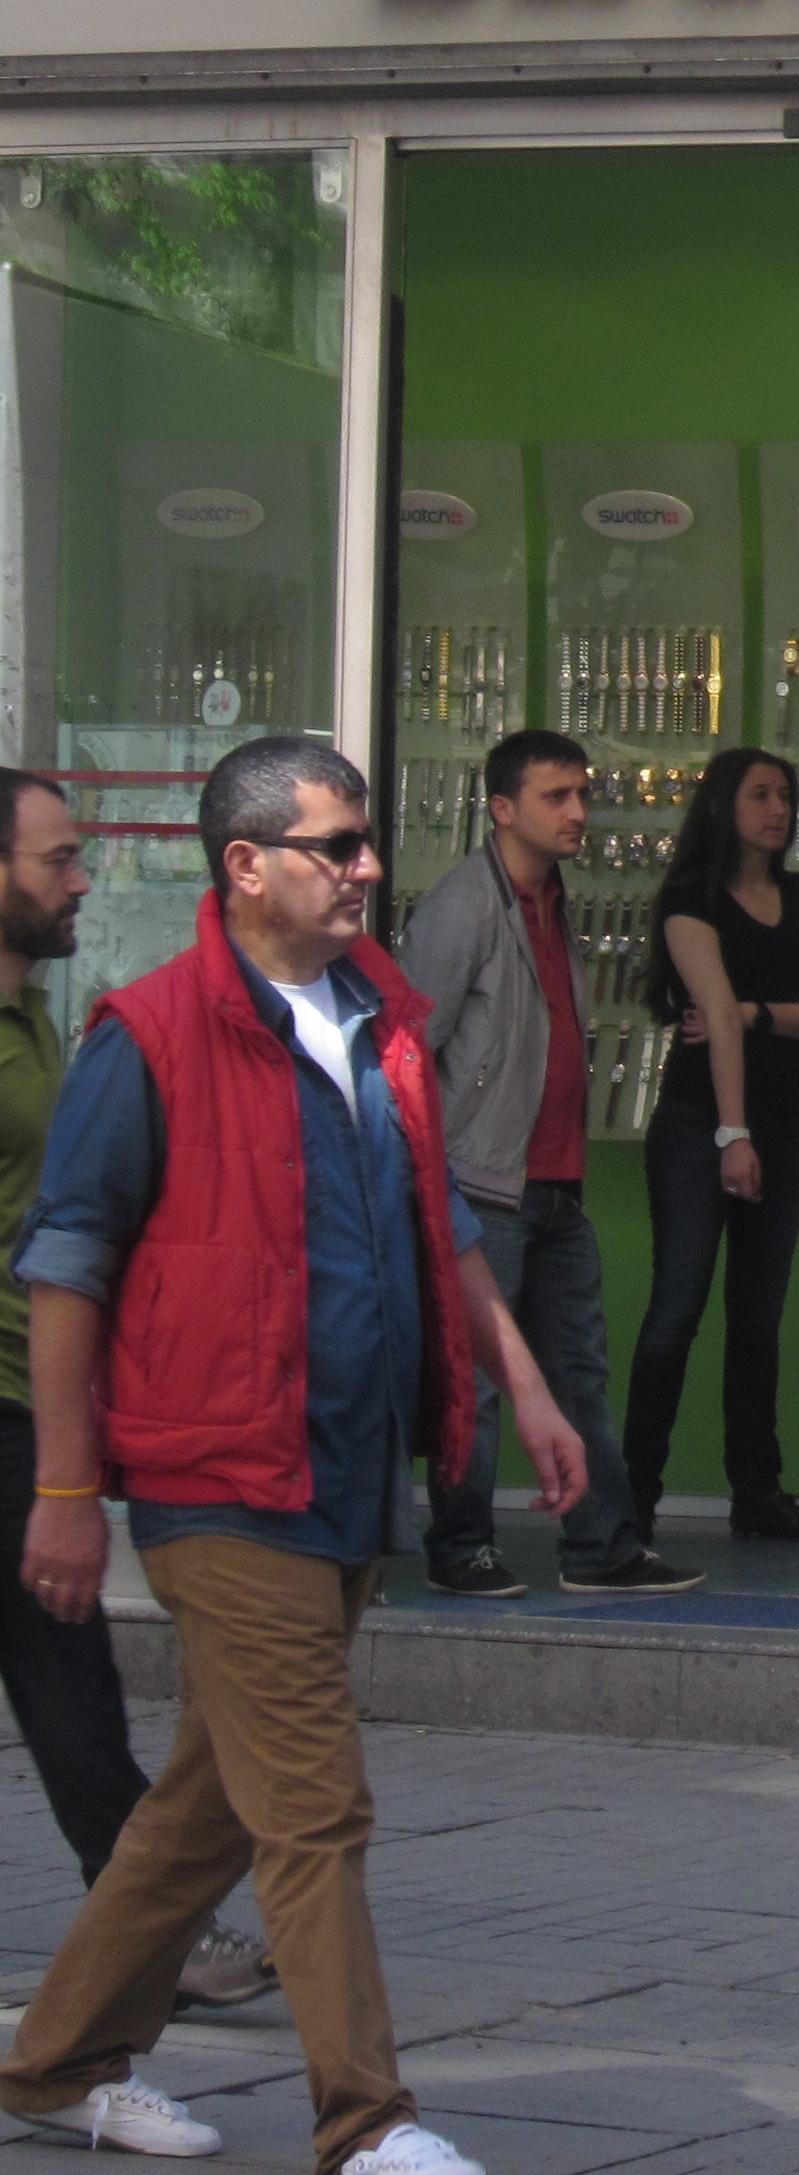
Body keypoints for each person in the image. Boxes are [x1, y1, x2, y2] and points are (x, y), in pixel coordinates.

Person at [2, 735, 588, 2174]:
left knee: (207, 1804)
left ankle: (56, 2063)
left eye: (367, 839)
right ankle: (368, 2123)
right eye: (337, 845)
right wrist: (69, 1491)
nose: (367, 868)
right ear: (246, 863)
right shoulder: (146, 1034)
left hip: (343, 1473)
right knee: (316, 1803)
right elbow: (65, 1274)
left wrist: (527, 1384)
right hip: (217, 1483)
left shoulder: (377, 1006)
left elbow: (439, 1217)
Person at [0, 769, 274, 2011]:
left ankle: (148, 1929)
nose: (80, 880)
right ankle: (149, 1934)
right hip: (6, 1401)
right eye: (57, 859)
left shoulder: (45, 1020)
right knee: (66, 1672)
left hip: (31, 1393)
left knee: (66, 1676)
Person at [399, 731, 701, 1599]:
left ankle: (601, 1547)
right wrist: (436, 1175)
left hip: (554, 1182)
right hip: (479, 1180)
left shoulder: (551, 898)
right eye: (556, 797)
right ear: (502, 809)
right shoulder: (464, 907)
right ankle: (460, 1548)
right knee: (478, 1378)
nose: (578, 811)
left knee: (575, 1369)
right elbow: (409, 1053)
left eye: (582, 793)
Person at [623, 748, 799, 1546]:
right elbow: (710, 1014)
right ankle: (634, 1498)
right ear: (725, 805)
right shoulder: (691, 899)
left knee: (758, 1319)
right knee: (675, 1313)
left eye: (786, 794)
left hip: (782, 1125)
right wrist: (732, 1134)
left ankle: (758, 1492)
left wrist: (757, 1014)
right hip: (700, 1126)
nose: (777, 809)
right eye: (760, 794)